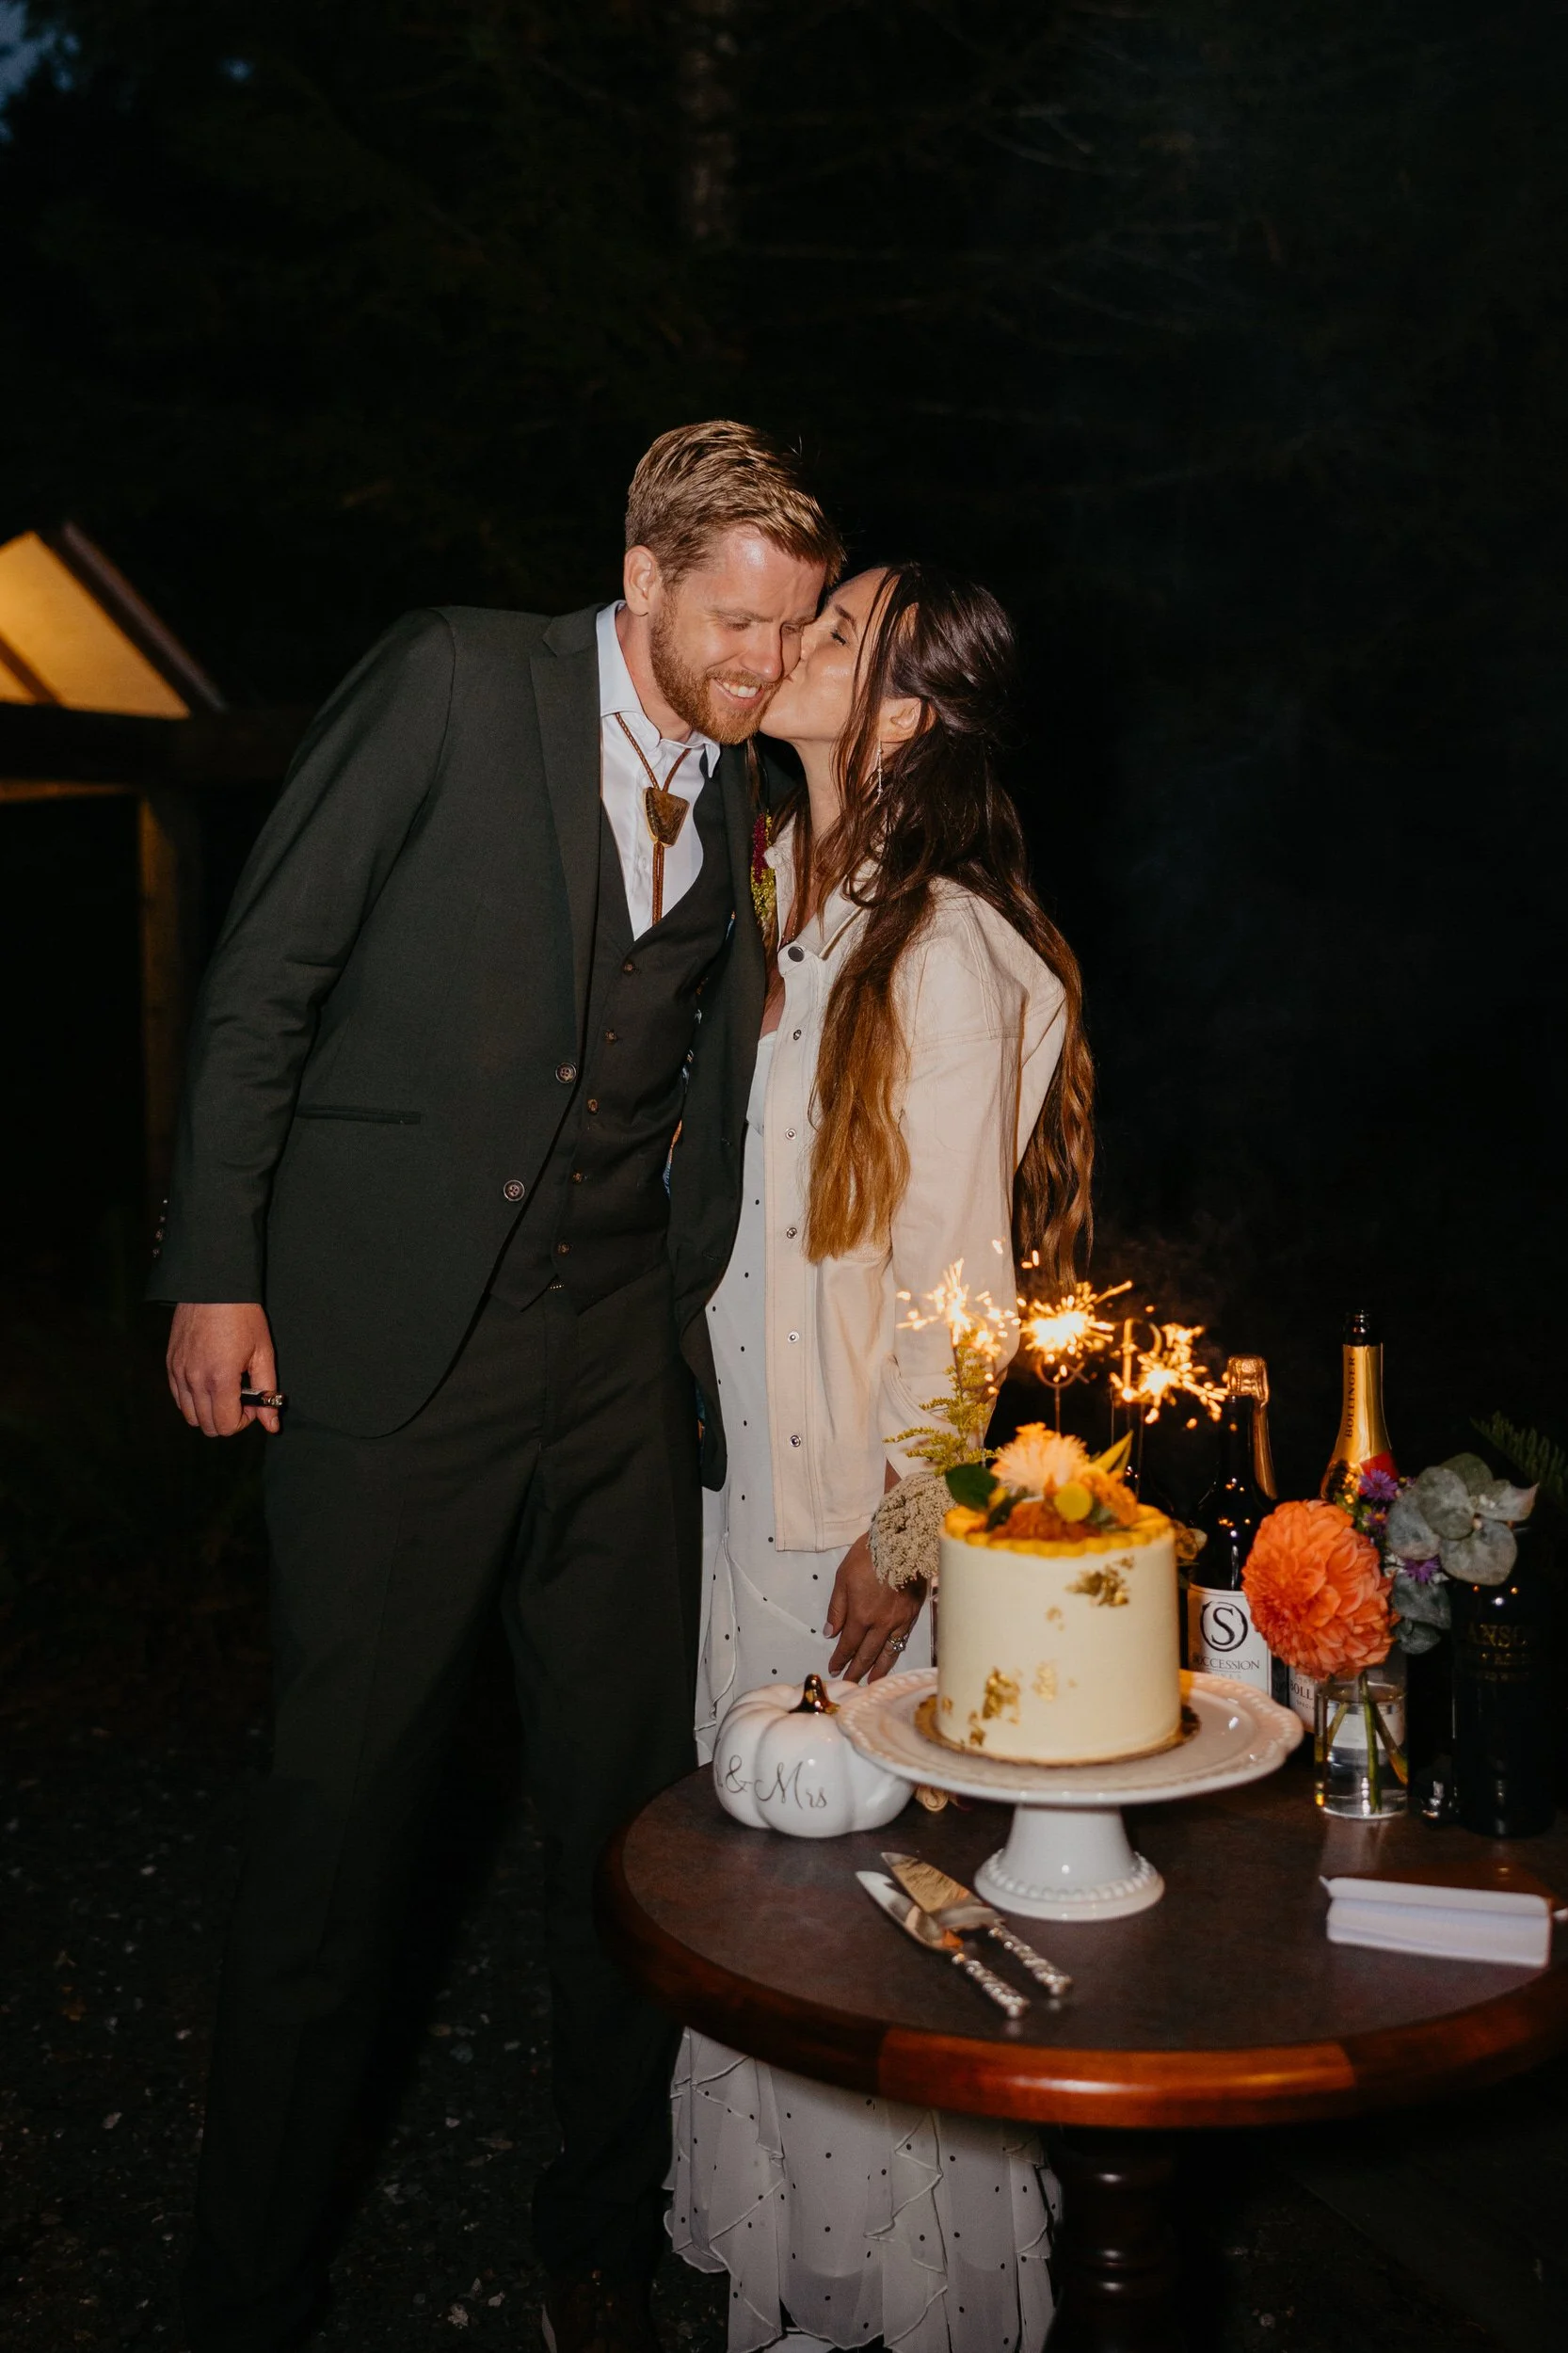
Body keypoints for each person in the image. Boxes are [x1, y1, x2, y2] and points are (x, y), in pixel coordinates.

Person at [151, 421, 842, 2353]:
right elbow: (262, 980)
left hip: (615, 1366)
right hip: (386, 1359)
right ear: (639, 578)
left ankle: (596, 2236)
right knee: (335, 1828)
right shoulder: (456, 678)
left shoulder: (744, 798)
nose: (764, 659)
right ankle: (243, 2286)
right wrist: (216, 1266)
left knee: (629, 1829)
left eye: (792, 624)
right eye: (734, 616)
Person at [669, 562, 1095, 2352]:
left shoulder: (945, 949)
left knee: (864, 1930)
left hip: (849, 1530)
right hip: (735, 1497)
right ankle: (790, 2303)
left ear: (910, 712)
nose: (786, 652)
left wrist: (907, 1534)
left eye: (832, 635)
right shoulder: (787, 898)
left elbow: (964, 1297)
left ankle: (897, 2314)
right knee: (757, 1915)